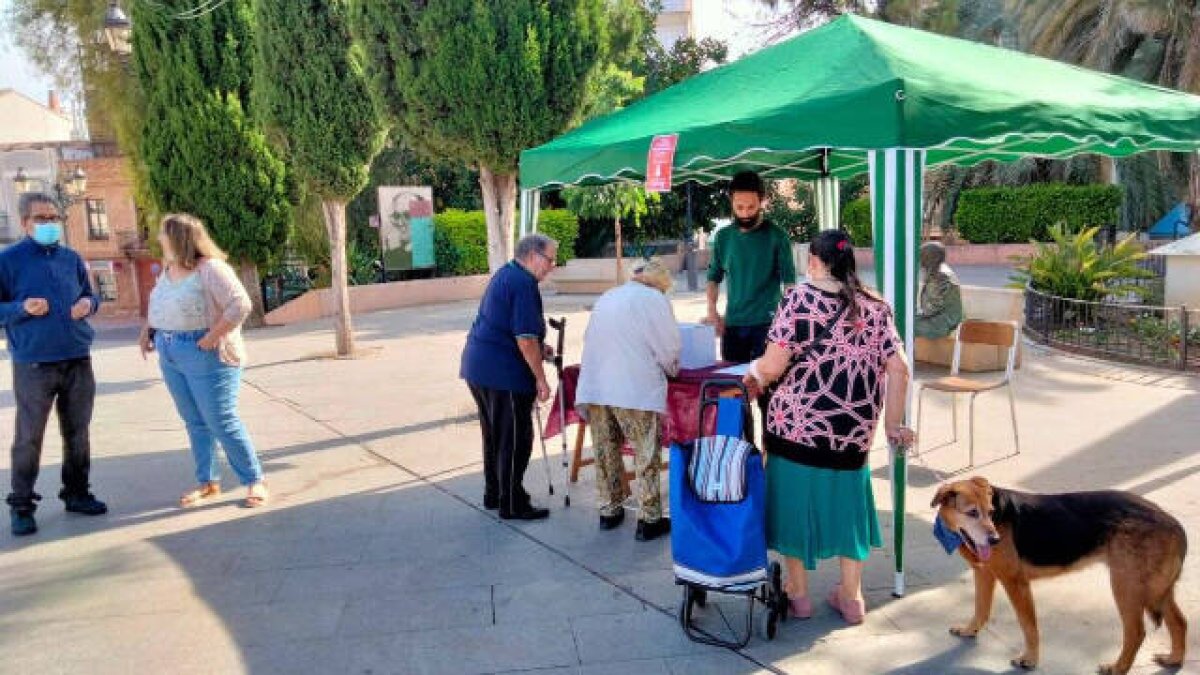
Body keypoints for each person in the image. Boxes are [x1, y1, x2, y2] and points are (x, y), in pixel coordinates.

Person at [743, 230, 915, 625]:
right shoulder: (875, 305)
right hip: (853, 434)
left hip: (796, 428)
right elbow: (899, 368)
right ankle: (852, 598)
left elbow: (771, 366)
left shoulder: (799, 299)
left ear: (814, 262)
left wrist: (753, 373)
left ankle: (799, 594)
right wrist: (892, 426)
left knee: (791, 504)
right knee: (848, 507)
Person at [138, 214, 268, 508]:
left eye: (163, 234)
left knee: (221, 420)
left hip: (205, 352)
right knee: (195, 421)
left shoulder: (210, 269)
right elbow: (161, 304)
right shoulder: (169, 270)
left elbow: (241, 304)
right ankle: (208, 482)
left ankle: (254, 481)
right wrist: (148, 330)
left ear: (178, 238)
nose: (158, 238)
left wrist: (212, 336)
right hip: (169, 350)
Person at [1, 192, 108, 536]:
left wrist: (88, 306)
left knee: (78, 433)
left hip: (77, 357)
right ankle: (21, 505)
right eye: (41, 218)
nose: (49, 224)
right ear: (25, 223)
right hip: (34, 363)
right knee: (29, 437)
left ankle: (77, 493)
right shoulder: (8, 261)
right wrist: (20, 308)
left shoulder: (71, 258)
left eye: (53, 217)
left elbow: (91, 296)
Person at [575, 258, 681, 541]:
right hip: (634, 387)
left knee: (605, 449)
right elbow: (669, 348)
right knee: (645, 451)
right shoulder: (654, 300)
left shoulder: (609, 296)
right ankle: (649, 520)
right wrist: (672, 370)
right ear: (660, 283)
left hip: (597, 385)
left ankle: (609, 511)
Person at [460, 234, 559, 520]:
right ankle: (512, 502)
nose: (552, 266)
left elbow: (516, 330)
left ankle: (495, 493)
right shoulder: (523, 283)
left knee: (495, 434)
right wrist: (540, 378)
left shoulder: (507, 274)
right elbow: (525, 339)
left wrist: (540, 347)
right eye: (549, 259)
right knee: (516, 438)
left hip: (480, 366)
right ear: (532, 255)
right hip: (502, 372)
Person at [705, 170, 797, 363]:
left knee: (766, 389)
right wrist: (712, 311)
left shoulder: (777, 236)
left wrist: (787, 321)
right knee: (731, 388)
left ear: (762, 201)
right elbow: (713, 277)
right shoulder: (723, 237)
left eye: (751, 207)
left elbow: (790, 284)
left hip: (768, 325)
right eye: (739, 207)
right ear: (731, 202)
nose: (745, 213)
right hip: (732, 325)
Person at [915, 241, 964, 339]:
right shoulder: (939, 270)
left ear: (932, 257)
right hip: (941, 318)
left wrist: (915, 313)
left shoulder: (939, 276)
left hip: (943, 322)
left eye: (923, 256)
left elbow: (932, 308)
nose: (920, 260)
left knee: (904, 325)